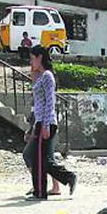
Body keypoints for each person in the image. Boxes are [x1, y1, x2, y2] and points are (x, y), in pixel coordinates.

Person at [23, 45, 76, 200]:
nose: (31, 62)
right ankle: (68, 178)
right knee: (41, 159)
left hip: (46, 122)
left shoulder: (47, 76)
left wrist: (45, 125)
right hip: (40, 122)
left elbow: (49, 102)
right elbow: (38, 101)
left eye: (32, 58)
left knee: (37, 159)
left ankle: (40, 192)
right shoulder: (41, 76)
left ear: (40, 57)